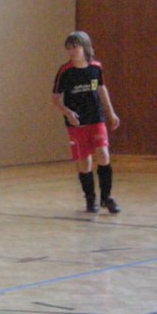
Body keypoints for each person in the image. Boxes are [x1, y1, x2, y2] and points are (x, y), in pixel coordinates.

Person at [52, 31, 121, 214]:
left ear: (85, 47)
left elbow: (99, 89)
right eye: (68, 48)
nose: (71, 51)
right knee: (85, 162)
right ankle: (90, 198)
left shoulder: (95, 68)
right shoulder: (65, 72)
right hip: (77, 123)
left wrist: (110, 113)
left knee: (103, 155)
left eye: (75, 47)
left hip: (96, 118)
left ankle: (106, 197)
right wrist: (68, 113)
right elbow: (56, 98)